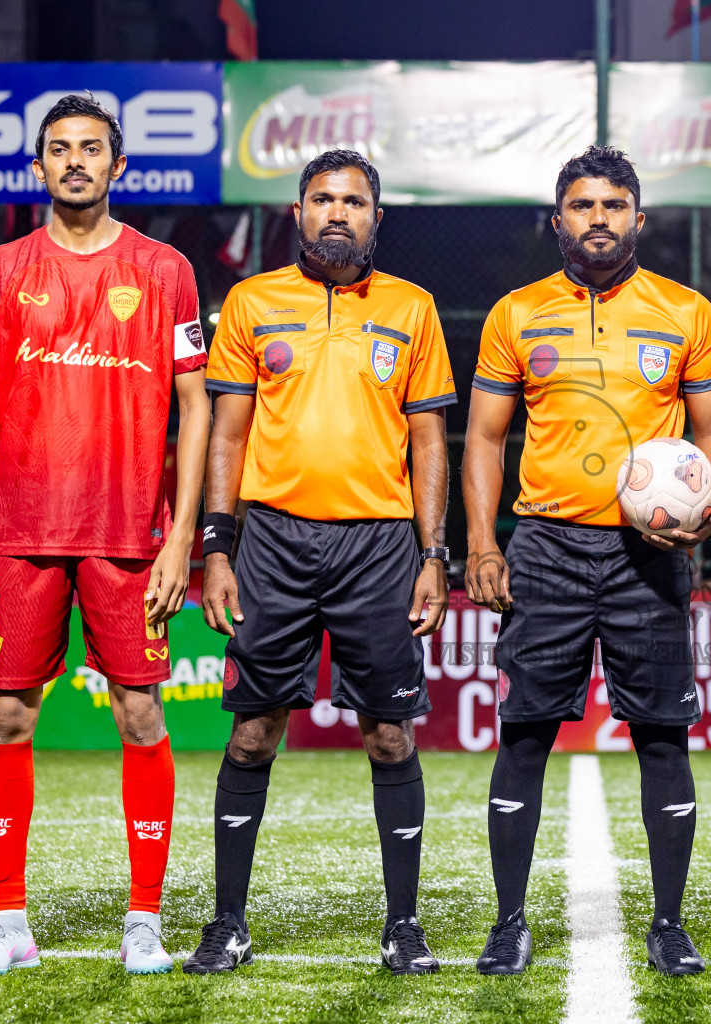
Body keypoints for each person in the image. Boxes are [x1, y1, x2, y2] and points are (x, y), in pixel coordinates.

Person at [0, 93, 210, 975]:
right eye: (59, 150)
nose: (75, 162)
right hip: (19, 533)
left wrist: (184, 541)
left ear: (119, 165)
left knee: (141, 715)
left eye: (91, 149)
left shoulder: (166, 269)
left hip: (130, 534)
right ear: (38, 167)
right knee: (11, 716)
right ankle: (8, 923)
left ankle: (144, 920)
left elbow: (193, 403)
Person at [184, 149, 456, 977]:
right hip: (270, 540)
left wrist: (433, 553)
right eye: (322, 199)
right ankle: (228, 922)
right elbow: (226, 433)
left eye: (354, 201)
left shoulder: (412, 309)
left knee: (388, 734)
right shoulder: (251, 303)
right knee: (254, 733)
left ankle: (403, 927)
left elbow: (429, 441)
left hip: (378, 545)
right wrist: (217, 545)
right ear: (297, 213)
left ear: (378, 217)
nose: (338, 212)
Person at [464, 146, 711, 977]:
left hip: (647, 555)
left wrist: (707, 506)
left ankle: (668, 923)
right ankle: (509, 921)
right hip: (545, 544)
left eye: (614, 205)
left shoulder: (687, 312)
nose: (599, 219)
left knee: (661, 734)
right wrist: (481, 543)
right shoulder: (517, 313)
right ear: (559, 221)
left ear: (638, 219)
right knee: (526, 733)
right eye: (582, 206)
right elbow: (482, 436)